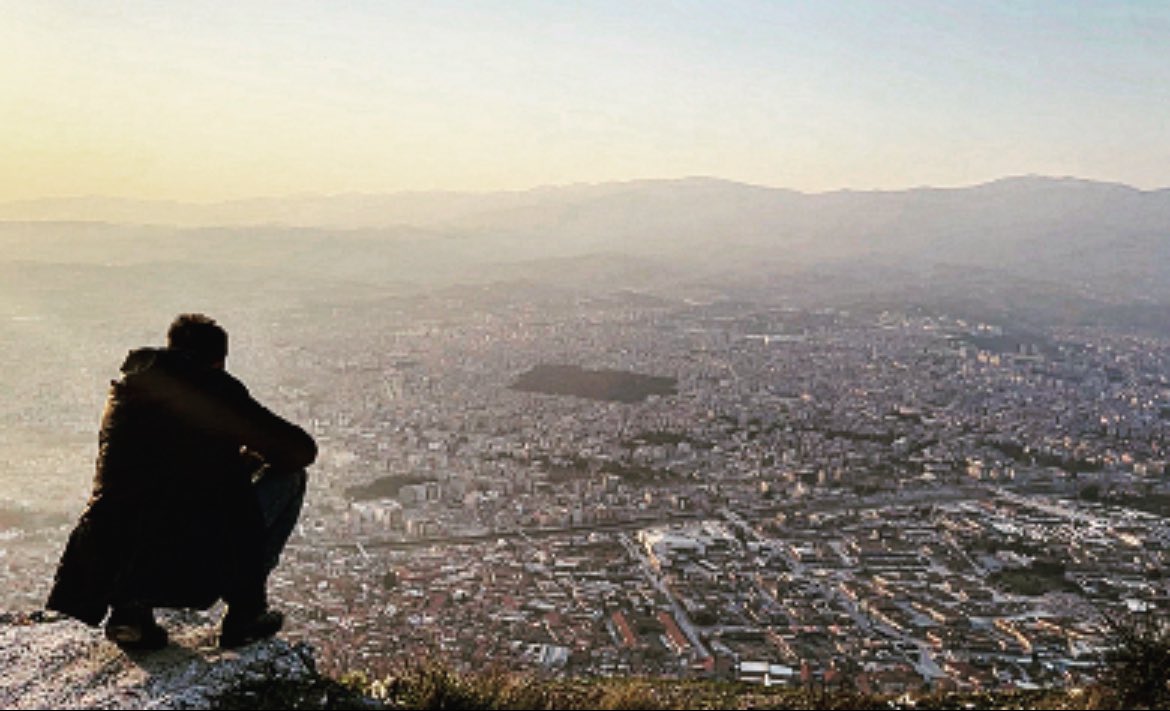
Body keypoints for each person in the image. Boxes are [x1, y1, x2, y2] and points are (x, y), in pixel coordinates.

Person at [46, 313, 317, 650]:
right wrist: (250, 457)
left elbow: (164, 468)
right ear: (217, 361)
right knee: (290, 478)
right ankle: (245, 613)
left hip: (111, 553)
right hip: (193, 552)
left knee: (143, 501)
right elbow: (300, 451)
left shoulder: (126, 392)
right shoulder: (217, 389)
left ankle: (131, 614)